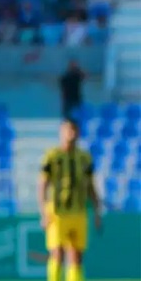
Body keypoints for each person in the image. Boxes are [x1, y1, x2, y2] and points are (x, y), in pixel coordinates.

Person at [38, 119, 103, 281]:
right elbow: (43, 186)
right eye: (68, 130)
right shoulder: (52, 156)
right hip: (58, 212)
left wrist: (97, 211)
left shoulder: (85, 158)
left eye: (74, 130)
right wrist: (44, 212)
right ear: (61, 132)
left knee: (76, 255)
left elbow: (91, 186)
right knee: (57, 252)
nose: (71, 134)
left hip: (79, 212)